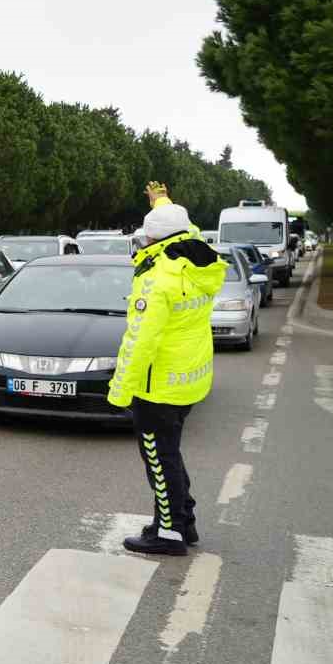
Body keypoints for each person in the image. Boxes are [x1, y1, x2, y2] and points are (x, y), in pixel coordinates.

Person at [106, 182, 226, 556]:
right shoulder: (198, 261)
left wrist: (119, 391)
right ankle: (181, 521)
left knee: (159, 459)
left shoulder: (156, 279)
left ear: (151, 240)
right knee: (171, 453)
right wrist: (162, 203)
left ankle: (169, 533)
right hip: (187, 380)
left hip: (156, 385)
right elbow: (183, 229)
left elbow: (139, 341)